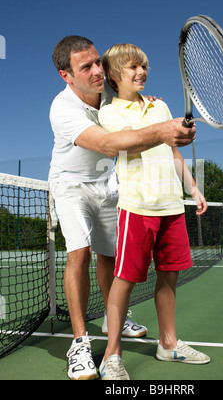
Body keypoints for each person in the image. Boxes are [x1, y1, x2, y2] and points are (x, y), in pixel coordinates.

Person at [49, 36, 196, 380]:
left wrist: (150, 106)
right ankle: (80, 340)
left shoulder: (112, 96)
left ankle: (114, 318)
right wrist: (162, 128)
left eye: (98, 62)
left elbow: (134, 103)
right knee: (79, 253)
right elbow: (109, 143)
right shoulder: (63, 108)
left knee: (110, 257)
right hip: (71, 184)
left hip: (106, 184)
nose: (97, 70)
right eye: (86, 67)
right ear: (66, 75)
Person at [98, 43, 210, 380]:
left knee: (170, 276)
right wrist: (163, 131)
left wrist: (192, 187)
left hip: (171, 206)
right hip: (137, 207)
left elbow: (173, 151)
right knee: (125, 280)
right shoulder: (110, 112)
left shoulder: (160, 106)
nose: (141, 72)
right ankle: (111, 355)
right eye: (132, 67)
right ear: (114, 76)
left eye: (143, 66)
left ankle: (168, 343)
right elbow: (130, 141)